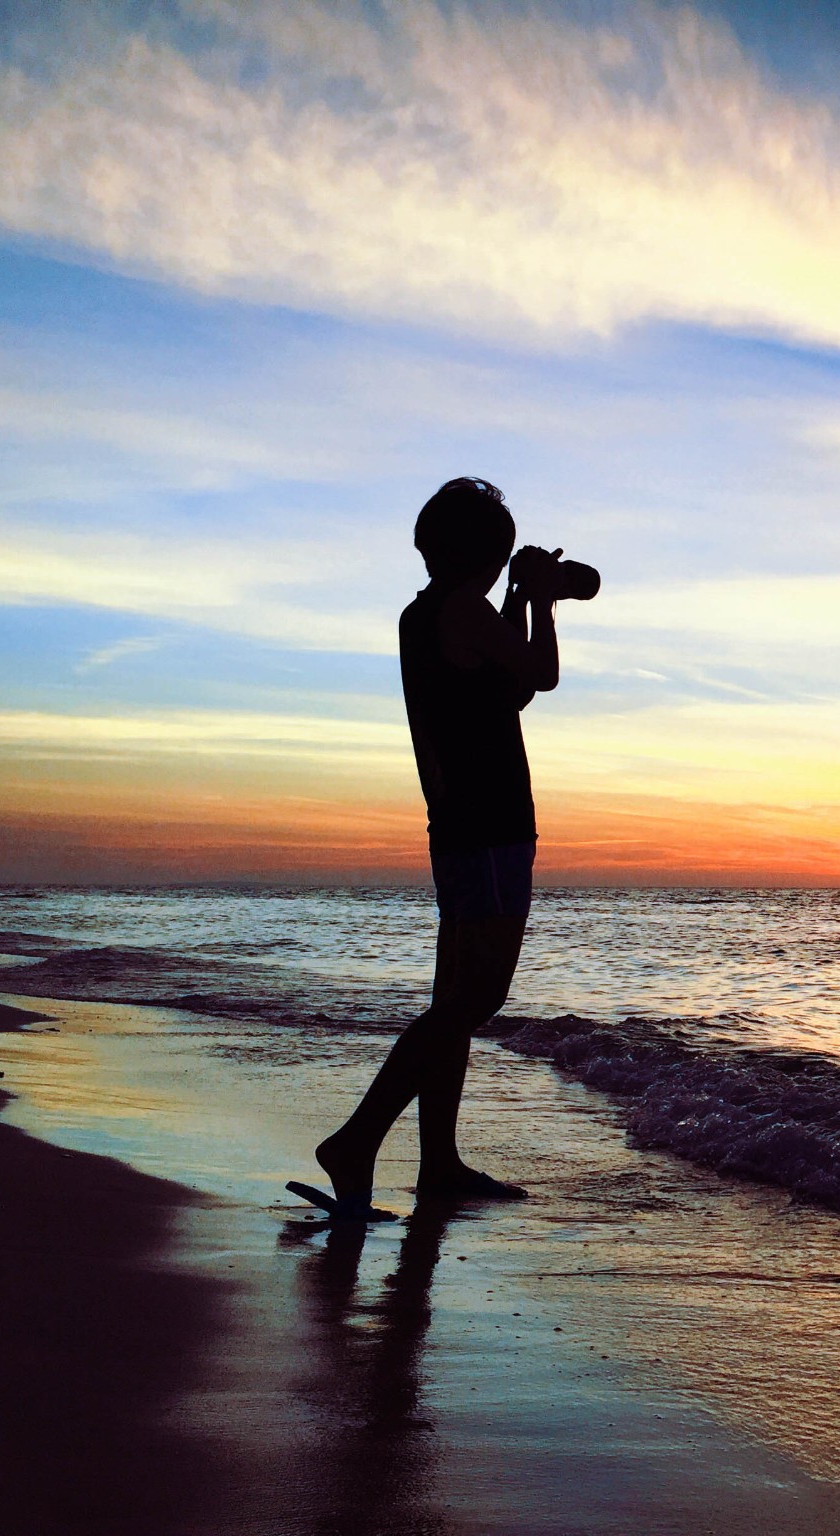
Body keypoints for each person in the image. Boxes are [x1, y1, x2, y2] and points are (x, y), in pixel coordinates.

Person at [307, 477, 568, 1218]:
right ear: (484, 550)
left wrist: (516, 601)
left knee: (452, 999)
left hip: (456, 826)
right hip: (491, 826)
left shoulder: (423, 615)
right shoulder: (467, 607)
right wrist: (540, 600)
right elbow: (540, 675)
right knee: (479, 998)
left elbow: (503, 691)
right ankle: (358, 1140)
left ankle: (439, 1162)